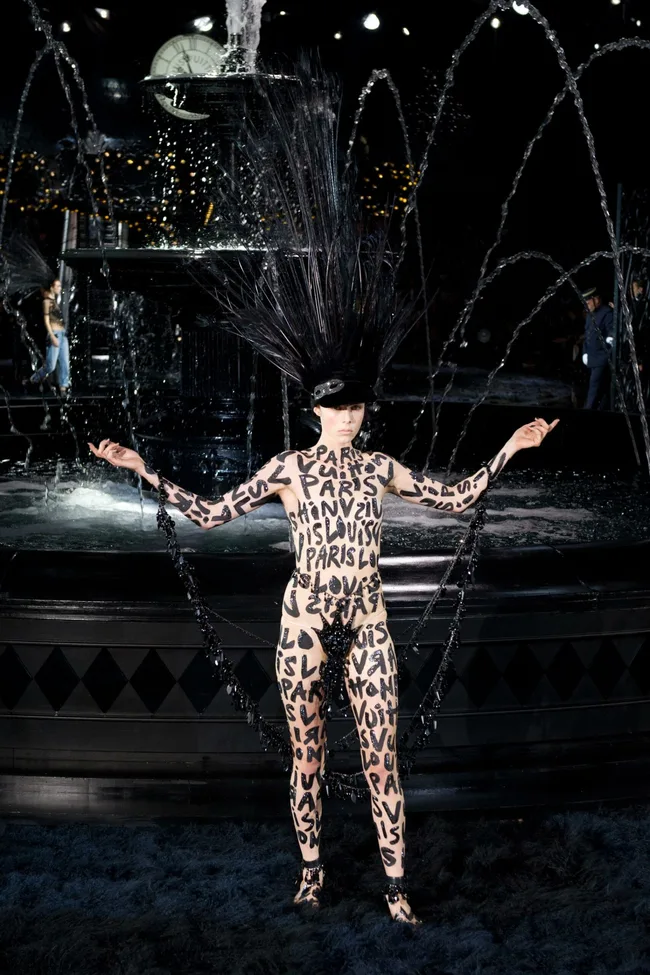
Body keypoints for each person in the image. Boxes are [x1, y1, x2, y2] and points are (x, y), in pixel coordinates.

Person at [89, 395, 558, 924]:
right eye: (337, 408)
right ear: (317, 410)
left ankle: (397, 888)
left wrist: (511, 448)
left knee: (382, 761)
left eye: (356, 406)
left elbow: (453, 498)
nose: (348, 417)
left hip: (367, 624)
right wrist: (143, 470)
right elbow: (211, 514)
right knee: (306, 757)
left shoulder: (379, 466)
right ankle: (312, 874)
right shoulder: (290, 466)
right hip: (305, 624)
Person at [25, 278, 70, 396]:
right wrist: (52, 336)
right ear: (52, 287)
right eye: (58, 286)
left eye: (60, 286)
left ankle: (63, 389)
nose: (60, 288)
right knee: (50, 366)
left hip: (62, 334)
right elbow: (46, 321)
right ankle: (32, 380)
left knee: (65, 363)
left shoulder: (54, 301)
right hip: (54, 334)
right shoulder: (46, 302)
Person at [581, 286, 613, 410]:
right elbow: (587, 335)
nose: (587, 305)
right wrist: (584, 352)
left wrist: (610, 338)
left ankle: (587, 412)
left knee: (594, 388)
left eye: (588, 302)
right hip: (591, 358)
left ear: (596, 299)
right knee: (600, 389)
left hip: (601, 358)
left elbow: (612, 331)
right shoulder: (590, 315)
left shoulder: (606, 313)